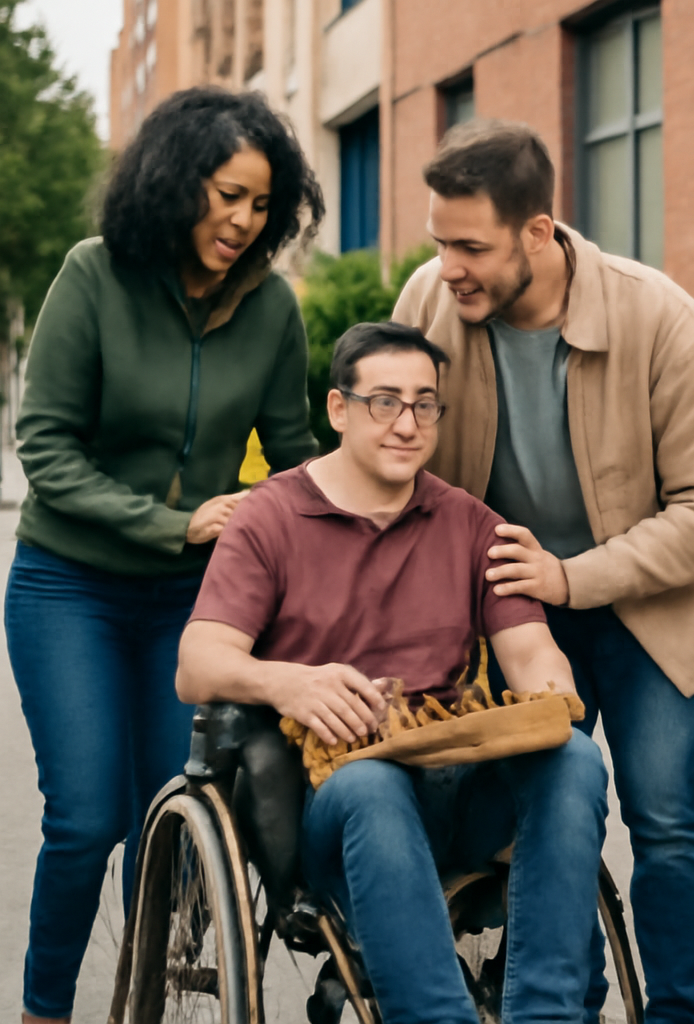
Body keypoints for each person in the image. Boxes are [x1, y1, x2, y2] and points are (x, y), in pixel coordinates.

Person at [391, 120, 694, 1024]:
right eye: (439, 240)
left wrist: (572, 575)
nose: (449, 266)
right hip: (517, 610)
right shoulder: (430, 303)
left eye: (470, 246)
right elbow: (388, 464)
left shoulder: (661, 317)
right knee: (553, 813)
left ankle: (676, 1012)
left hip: (654, 606)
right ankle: (571, 1005)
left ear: (539, 232)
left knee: (664, 815)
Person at [175, 322, 609, 1024]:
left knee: (576, 758)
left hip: (458, 786)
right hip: (335, 801)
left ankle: (546, 1016)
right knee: (372, 782)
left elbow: (531, 653)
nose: (407, 423)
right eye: (384, 402)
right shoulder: (270, 517)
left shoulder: (470, 523)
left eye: (424, 404)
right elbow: (198, 665)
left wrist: (550, 688)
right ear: (339, 409)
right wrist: (292, 683)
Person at [7, 86, 322, 1024]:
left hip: (194, 603)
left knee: (172, 820)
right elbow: (48, 451)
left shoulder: (269, 310)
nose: (242, 220)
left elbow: (299, 452)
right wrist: (172, 523)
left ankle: (147, 994)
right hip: (70, 587)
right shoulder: (92, 275)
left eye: (262, 204)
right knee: (87, 819)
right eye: (227, 194)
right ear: (177, 180)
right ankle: (43, 1010)